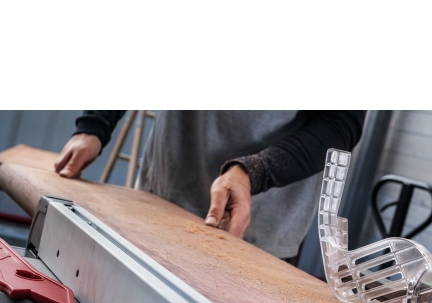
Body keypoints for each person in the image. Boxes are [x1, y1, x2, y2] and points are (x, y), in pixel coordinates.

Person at [55, 111, 365, 260]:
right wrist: (95, 124)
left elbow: (340, 124)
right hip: (163, 195)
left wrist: (255, 171)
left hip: (259, 225)